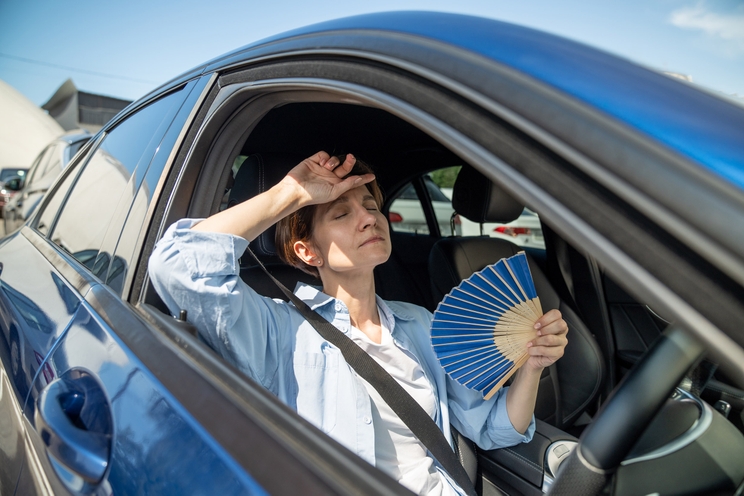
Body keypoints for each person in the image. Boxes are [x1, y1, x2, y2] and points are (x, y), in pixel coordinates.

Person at [149, 151, 568, 495]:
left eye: (371, 206)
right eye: (340, 214)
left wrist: (532, 365)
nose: (369, 218)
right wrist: (291, 194)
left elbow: (495, 430)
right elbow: (179, 265)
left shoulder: (420, 324)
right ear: (308, 252)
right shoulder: (278, 330)